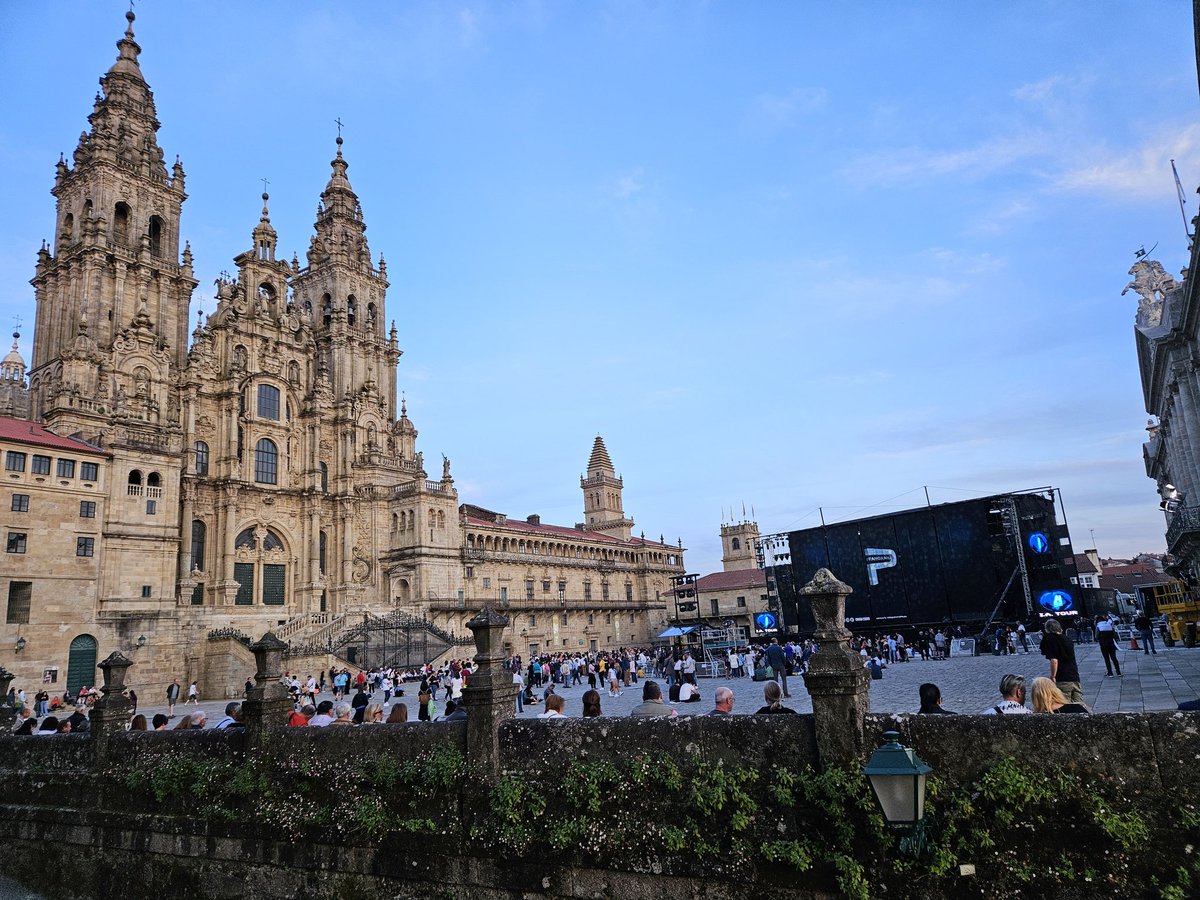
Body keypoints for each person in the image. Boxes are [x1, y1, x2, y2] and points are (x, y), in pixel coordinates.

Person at [1040, 619, 1084, 705]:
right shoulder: (1067, 639)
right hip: (1074, 676)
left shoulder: (1050, 639)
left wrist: (1053, 676)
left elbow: (1054, 660)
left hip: (1062, 677)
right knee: (1079, 704)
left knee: (1064, 704)